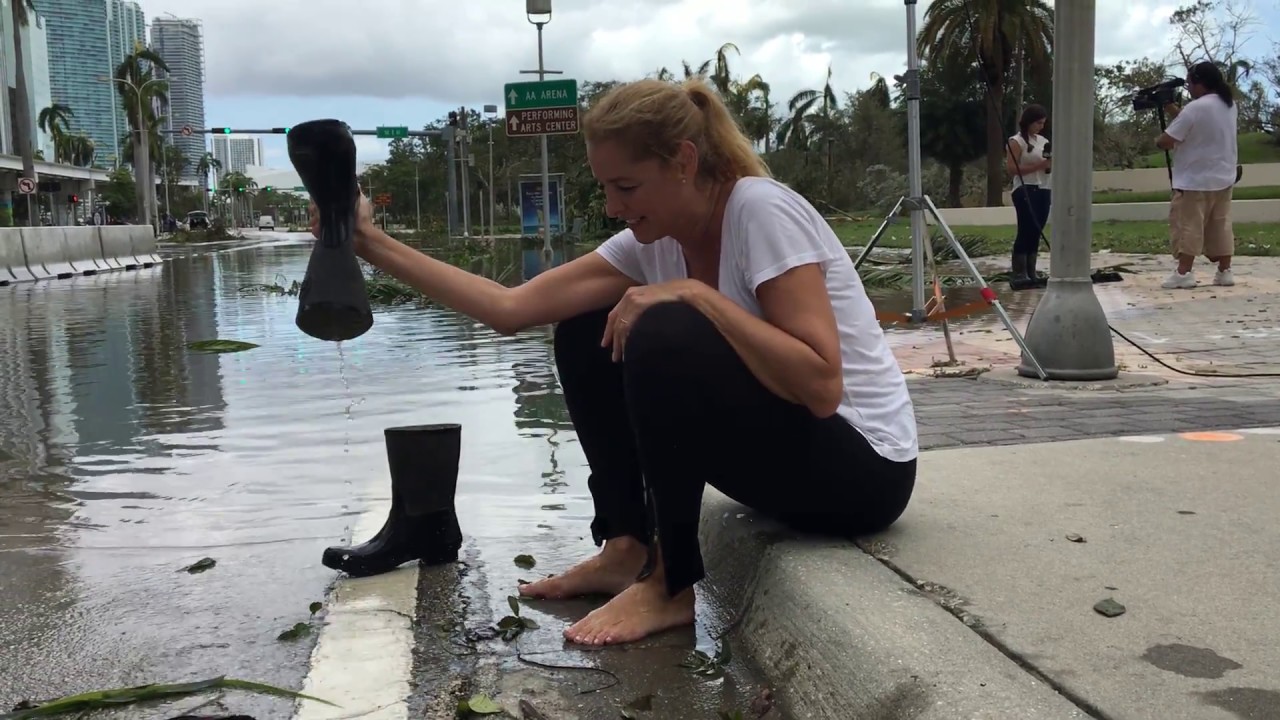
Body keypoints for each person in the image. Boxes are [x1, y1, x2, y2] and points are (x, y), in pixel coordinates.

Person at [310, 77, 919, 647]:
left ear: (683, 162)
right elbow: (510, 308)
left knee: (663, 325)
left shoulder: (759, 210)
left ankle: (671, 583)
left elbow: (821, 385)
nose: (610, 206)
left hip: (864, 472)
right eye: (605, 187)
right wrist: (367, 241)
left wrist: (697, 296)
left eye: (626, 187)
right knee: (586, 323)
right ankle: (626, 545)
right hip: (787, 467)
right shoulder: (652, 243)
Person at [1156, 61, 1239, 290]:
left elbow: (1168, 139)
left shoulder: (1196, 107)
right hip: (1223, 176)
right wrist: (1170, 107)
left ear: (1200, 83)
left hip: (1194, 180)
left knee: (1188, 226)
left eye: (1190, 83)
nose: (1189, 88)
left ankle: (1184, 273)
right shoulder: (1228, 105)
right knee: (1220, 225)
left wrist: (1158, 139)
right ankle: (1224, 271)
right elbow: (1195, 122)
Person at [1005, 104, 1051, 291]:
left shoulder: (1043, 141)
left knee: (1037, 230)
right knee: (1026, 228)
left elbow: (1047, 164)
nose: (1041, 126)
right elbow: (1011, 169)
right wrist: (1038, 166)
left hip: (1044, 188)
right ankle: (1019, 272)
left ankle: (1032, 271)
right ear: (1029, 122)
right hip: (1025, 189)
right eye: (1038, 123)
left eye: (1043, 123)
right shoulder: (1016, 141)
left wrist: (1049, 165)